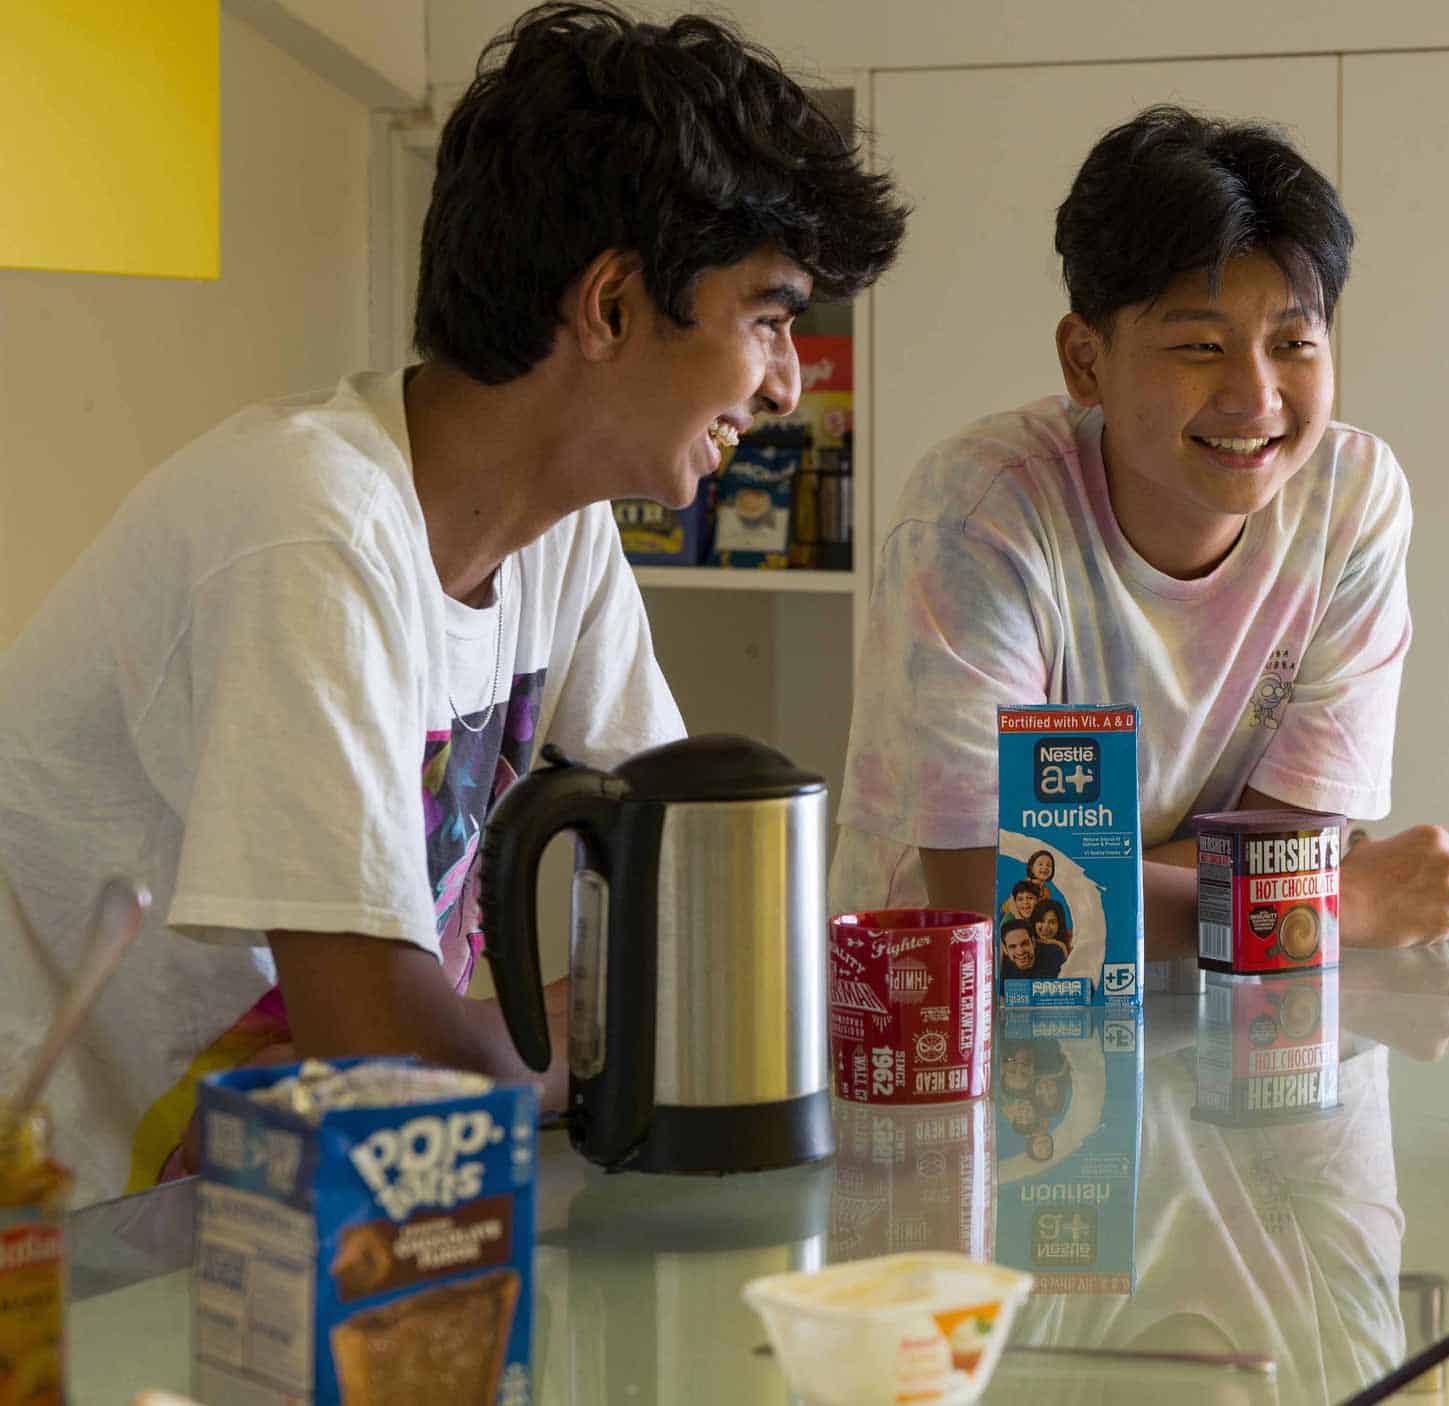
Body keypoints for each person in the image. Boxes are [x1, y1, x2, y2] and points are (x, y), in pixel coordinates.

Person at [0, 1, 907, 1205]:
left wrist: (619, 1016)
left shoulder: (563, 540)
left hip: (259, 1211)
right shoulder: (310, 526)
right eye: (770, 318)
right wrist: (604, 1026)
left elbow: (695, 865)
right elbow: (379, 1065)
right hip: (71, 1240)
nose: (789, 383)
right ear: (612, 306)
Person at [832, 105, 1449, 953]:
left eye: (1294, 343)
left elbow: (1288, 848)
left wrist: (1073, 877)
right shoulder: (978, 514)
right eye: (1201, 347)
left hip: (1223, 1010)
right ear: (1085, 360)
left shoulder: (1350, 501)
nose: (1256, 397)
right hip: (962, 1027)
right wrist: (1340, 910)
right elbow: (997, 913)